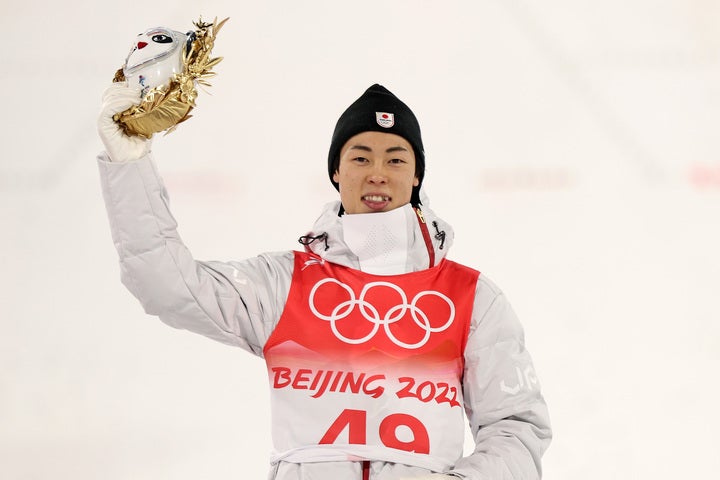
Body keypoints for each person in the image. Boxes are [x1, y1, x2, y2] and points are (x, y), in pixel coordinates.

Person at [97, 82, 552, 480]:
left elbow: (516, 427)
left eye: (396, 158)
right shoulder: (286, 283)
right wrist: (130, 160)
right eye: (360, 156)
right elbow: (167, 285)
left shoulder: (471, 298)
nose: (377, 172)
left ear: (416, 176)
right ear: (336, 171)